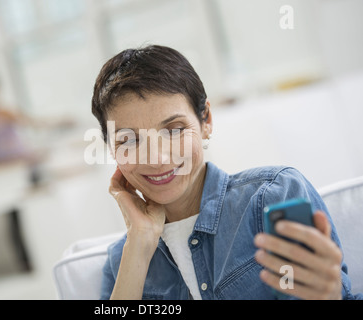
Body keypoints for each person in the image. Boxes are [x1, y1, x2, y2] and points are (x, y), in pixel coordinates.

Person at [91, 45, 362, 300]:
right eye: (130, 140)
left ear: (205, 120)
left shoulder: (273, 195)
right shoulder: (120, 263)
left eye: (174, 130)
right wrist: (139, 242)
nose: (158, 158)